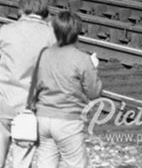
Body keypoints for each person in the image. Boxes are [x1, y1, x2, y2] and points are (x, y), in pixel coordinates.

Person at [0, 0, 57, 168]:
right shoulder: (51, 36)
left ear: (20, 10)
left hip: (0, 105)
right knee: (22, 162)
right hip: (29, 111)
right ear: (44, 12)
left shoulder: (7, 31)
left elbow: (0, 51)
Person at [34, 10, 103, 168]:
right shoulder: (82, 59)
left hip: (43, 118)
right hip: (68, 121)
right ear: (77, 33)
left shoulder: (44, 54)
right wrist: (94, 68)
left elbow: (36, 85)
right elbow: (94, 92)